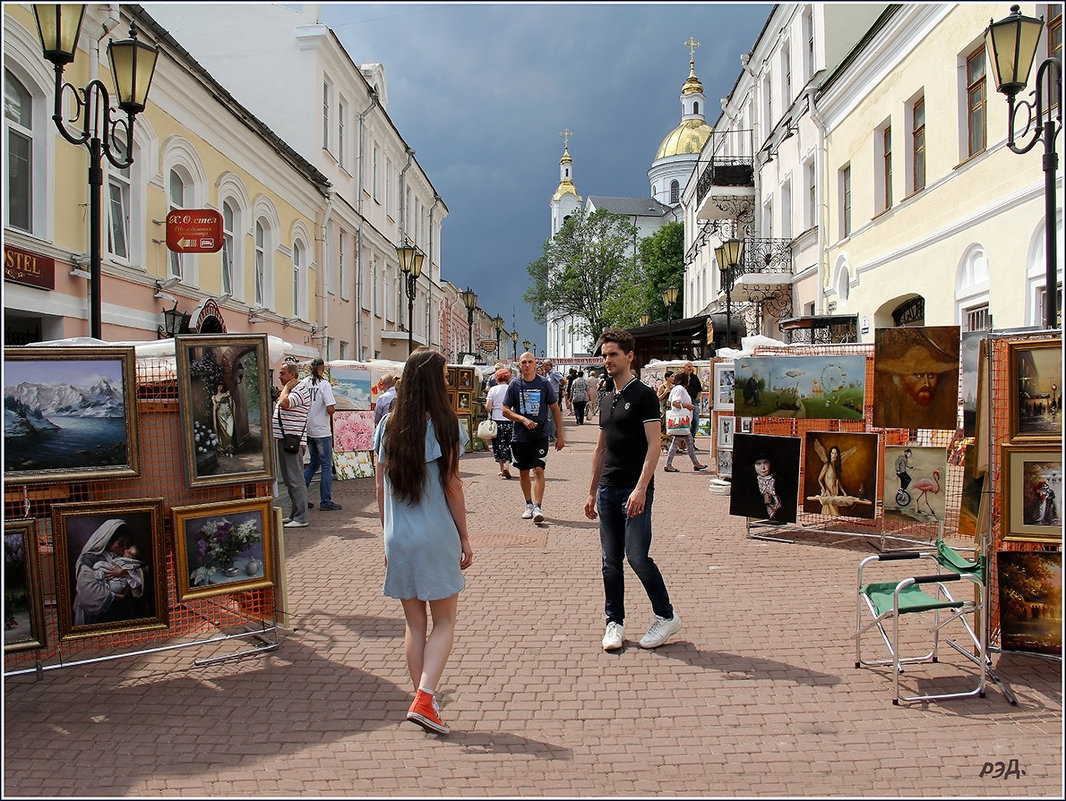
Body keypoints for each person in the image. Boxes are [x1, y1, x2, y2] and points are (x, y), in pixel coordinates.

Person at [374, 347, 474, 735]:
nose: (448, 380)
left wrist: (386, 537)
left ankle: (421, 698)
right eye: (445, 374)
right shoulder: (447, 425)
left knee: (414, 625)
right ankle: (425, 698)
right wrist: (465, 536)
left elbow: (379, 489)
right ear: (435, 380)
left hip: (399, 536)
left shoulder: (387, 424)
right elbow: (452, 486)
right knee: (445, 620)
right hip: (436, 535)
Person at [584, 327, 682, 651]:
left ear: (629, 356)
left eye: (613, 354)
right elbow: (600, 449)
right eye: (604, 354)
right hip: (608, 489)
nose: (607, 360)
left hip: (634, 488)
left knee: (637, 556)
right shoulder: (606, 396)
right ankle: (614, 623)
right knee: (609, 560)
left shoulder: (644, 396)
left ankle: (666, 616)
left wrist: (641, 489)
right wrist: (591, 491)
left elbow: (654, 446)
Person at [502, 351, 565, 524]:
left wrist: (560, 434)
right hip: (520, 436)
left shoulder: (544, 384)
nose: (527, 365)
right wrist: (522, 419)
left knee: (538, 469)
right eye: (524, 362)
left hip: (540, 434)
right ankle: (528, 504)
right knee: (523, 472)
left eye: (530, 362)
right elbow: (505, 410)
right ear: (519, 365)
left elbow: (555, 408)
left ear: (535, 364)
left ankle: (538, 506)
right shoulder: (514, 384)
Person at [72, 519, 143, 626]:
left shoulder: (124, 557)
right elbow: (86, 591)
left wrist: (124, 573)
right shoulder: (89, 559)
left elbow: (139, 575)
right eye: (120, 543)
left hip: (118, 612)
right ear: (108, 542)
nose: (125, 547)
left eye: (126, 543)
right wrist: (115, 596)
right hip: (95, 613)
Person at [272, 359, 312, 528]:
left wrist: (287, 388)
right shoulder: (294, 389)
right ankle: (295, 513)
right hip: (286, 439)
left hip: (292, 441)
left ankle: (301, 517)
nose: (279, 376)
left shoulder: (298, 389)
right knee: (289, 480)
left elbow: (285, 403)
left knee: (295, 479)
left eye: (282, 373)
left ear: (292, 375)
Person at [302, 358, 342, 512]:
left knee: (313, 463)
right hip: (322, 430)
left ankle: (301, 498)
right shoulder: (324, 384)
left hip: (309, 429)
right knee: (326, 465)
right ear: (322, 368)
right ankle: (325, 501)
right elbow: (330, 408)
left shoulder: (305, 383)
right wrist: (332, 411)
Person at [663, 370, 708, 473]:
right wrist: (687, 406)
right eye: (687, 379)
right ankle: (669, 464)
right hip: (681, 421)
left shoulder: (677, 389)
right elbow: (675, 403)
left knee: (687, 441)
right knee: (682, 442)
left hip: (681, 421)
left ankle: (695, 463)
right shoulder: (680, 389)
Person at [484, 365, 514, 479]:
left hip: (496, 419)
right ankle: (507, 466)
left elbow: (488, 407)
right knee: (507, 443)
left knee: (497, 444)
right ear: (508, 378)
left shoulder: (493, 390)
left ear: (496, 378)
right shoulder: (510, 389)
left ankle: (501, 469)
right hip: (508, 418)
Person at [542, 359, 565, 442]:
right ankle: (551, 433)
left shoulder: (554, 373)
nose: (544, 368)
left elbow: (563, 380)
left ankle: (551, 436)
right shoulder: (549, 374)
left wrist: (560, 387)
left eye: (545, 366)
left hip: (553, 395)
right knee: (549, 416)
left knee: (550, 416)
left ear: (549, 366)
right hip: (549, 394)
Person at [683, 361, 703, 448]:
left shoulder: (694, 377)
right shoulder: (680, 377)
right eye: (688, 366)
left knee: (695, 420)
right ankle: (682, 443)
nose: (690, 368)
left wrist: (697, 398)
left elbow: (699, 389)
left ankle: (691, 441)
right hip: (683, 402)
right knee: (683, 421)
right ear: (684, 368)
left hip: (693, 401)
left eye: (691, 366)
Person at [211, 383, 235, 456]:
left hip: (229, 413)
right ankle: (223, 448)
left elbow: (231, 402)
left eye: (222, 386)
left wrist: (230, 402)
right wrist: (216, 407)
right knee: (223, 431)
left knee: (230, 431)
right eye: (219, 386)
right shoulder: (214, 397)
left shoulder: (226, 394)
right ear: (217, 387)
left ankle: (229, 446)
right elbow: (214, 406)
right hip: (220, 414)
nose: (221, 387)